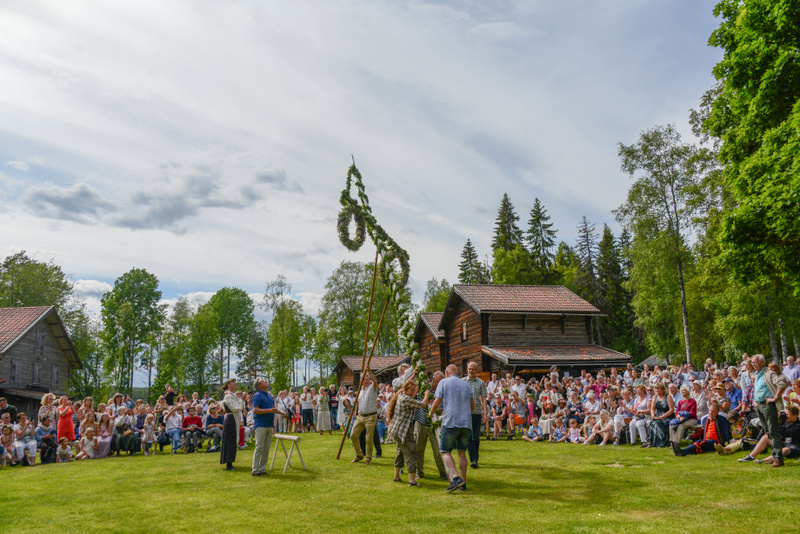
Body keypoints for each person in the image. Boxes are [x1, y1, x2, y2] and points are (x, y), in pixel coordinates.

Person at [428, 364, 473, 493]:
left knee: (444, 451)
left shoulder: (444, 382)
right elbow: (472, 406)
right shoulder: (466, 385)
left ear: (447, 372)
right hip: (465, 423)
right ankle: (463, 483)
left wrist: (431, 413)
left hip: (451, 422)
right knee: (461, 452)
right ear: (457, 373)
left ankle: (456, 477)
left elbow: (437, 402)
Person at [387, 379, 430, 487]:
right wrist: (427, 394)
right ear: (405, 389)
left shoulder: (401, 395)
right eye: (411, 390)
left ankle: (396, 476)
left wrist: (414, 379)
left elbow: (412, 396)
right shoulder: (406, 399)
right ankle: (412, 481)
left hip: (397, 430)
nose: (413, 392)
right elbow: (423, 404)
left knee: (400, 453)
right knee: (410, 453)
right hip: (404, 431)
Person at [748, 354, 790, 466]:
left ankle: (778, 459)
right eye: (752, 362)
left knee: (773, 432)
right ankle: (775, 455)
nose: (753, 364)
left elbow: (782, 383)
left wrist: (775, 398)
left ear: (762, 362)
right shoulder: (757, 375)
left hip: (768, 406)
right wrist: (756, 401)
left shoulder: (768, 373)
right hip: (760, 406)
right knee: (768, 433)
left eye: (755, 362)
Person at [251, 378, 284, 476]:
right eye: (263, 381)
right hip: (260, 425)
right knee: (259, 448)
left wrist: (281, 412)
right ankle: (255, 470)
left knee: (266, 448)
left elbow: (273, 409)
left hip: (269, 424)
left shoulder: (269, 396)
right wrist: (268, 411)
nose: (266, 382)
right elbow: (255, 410)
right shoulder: (257, 396)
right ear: (260, 385)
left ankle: (262, 469)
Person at [350, 368, 379, 465]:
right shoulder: (360, 391)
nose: (365, 381)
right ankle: (359, 454)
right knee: (353, 435)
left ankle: (368, 458)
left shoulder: (372, 387)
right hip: (360, 416)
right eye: (363, 379)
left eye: (367, 379)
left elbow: (375, 381)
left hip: (371, 416)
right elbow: (360, 402)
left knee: (369, 439)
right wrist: (357, 405)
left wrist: (369, 372)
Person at [463, 362, 487, 468]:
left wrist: (485, 412)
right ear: (467, 370)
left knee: (475, 437)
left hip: (477, 412)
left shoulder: (481, 383)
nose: (471, 371)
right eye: (469, 369)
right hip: (465, 412)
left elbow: (483, 398)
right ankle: (473, 459)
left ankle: (475, 458)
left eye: (473, 369)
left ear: (476, 370)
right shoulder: (463, 381)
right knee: (468, 436)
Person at [220, 378, 243, 470]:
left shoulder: (231, 395)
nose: (235, 383)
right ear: (228, 385)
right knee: (230, 439)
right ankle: (228, 463)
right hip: (231, 419)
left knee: (233, 439)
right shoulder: (228, 396)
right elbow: (235, 408)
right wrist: (242, 400)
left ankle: (230, 461)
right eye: (233, 382)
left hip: (233, 418)